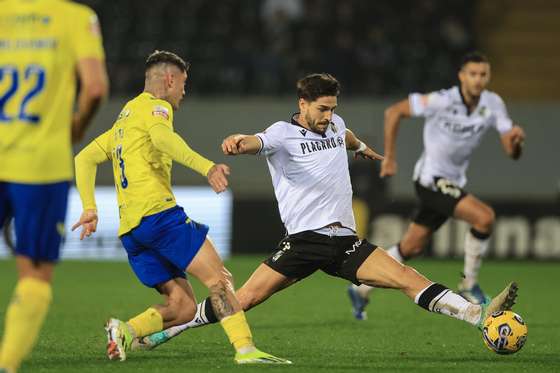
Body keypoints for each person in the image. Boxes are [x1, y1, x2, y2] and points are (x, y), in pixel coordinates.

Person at [130, 73, 519, 353]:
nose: (328, 115)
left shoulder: (337, 124)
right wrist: (238, 142)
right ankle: (168, 332)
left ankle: (479, 316)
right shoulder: (282, 133)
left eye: (333, 108)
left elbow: (344, 136)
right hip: (304, 241)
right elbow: (257, 141)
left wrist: (361, 146)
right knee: (242, 299)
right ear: (302, 104)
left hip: (345, 242)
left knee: (406, 276)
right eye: (321, 108)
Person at [71, 50, 290, 365]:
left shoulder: (126, 118)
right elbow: (163, 139)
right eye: (183, 84)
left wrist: (90, 207)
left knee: (183, 306)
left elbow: (84, 158)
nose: (184, 92)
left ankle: (125, 330)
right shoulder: (157, 108)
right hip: (160, 217)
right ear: (170, 79)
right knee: (219, 280)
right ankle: (245, 350)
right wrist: (207, 167)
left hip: (132, 232)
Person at [347, 51, 526, 320]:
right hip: (430, 179)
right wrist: (391, 158)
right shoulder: (442, 100)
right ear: (462, 76)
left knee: (412, 247)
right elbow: (394, 112)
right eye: (473, 74)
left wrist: (515, 141)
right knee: (484, 217)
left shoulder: (493, 103)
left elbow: (511, 152)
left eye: (483, 75)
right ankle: (468, 284)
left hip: (452, 183)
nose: (478, 80)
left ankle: (359, 290)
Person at [0, 0, 108, 371]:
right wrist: (75, 129)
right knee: (34, 273)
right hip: (42, 164)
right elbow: (94, 88)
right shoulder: (76, 18)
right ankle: (7, 363)